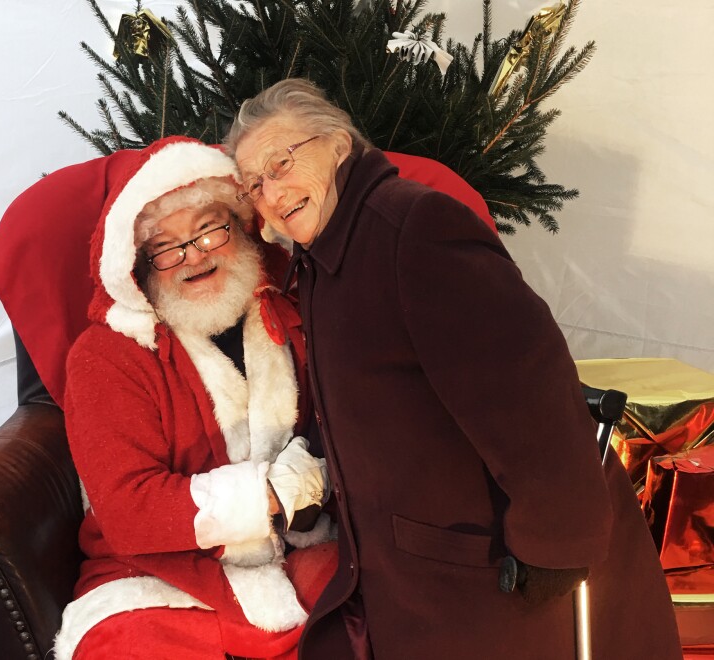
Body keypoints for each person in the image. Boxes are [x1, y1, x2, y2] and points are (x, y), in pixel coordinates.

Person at [227, 79, 682, 659]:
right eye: (255, 183)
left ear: (340, 145)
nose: (272, 193)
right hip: (409, 566)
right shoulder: (324, 258)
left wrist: (556, 545)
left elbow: (530, 385)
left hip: (490, 574)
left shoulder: (412, 229)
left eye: (283, 161)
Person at [53, 136, 337, 660]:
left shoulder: (295, 312)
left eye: (209, 228)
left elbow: (347, 427)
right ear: (139, 266)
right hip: (160, 577)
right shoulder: (105, 356)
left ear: (241, 228)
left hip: (298, 549)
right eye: (166, 245)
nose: (194, 256)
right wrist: (273, 494)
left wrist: (314, 476)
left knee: (384, 604)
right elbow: (128, 512)